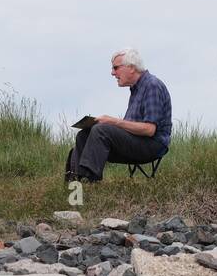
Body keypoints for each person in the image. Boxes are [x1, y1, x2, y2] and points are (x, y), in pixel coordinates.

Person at [65, 49, 171, 182]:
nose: (112, 73)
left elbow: (149, 130)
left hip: (153, 145)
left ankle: (90, 181)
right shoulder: (136, 89)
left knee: (101, 130)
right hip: (138, 141)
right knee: (85, 134)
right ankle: (77, 181)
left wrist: (113, 122)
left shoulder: (152, 86)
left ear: (131, 68)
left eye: (116, 68)